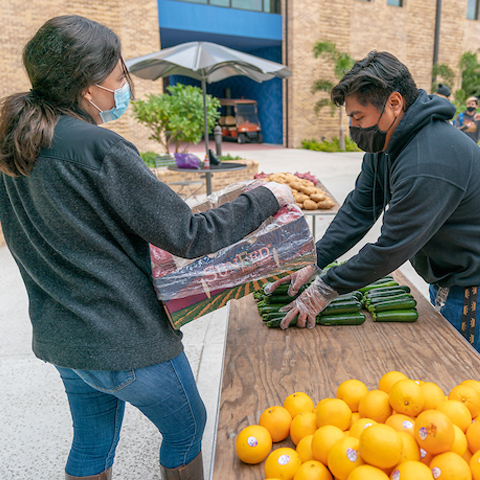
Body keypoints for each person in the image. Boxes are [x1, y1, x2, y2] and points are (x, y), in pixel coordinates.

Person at [0, 15, 293, 480]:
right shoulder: (99, 147)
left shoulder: (17, 140)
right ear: (87, 87)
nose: (125, 88)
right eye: (119, 79)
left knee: (92, 445)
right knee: (187, 427)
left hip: (63, 337)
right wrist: (264, 197)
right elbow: (189, 235)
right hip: (124, 337)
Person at [267, 50, 480, 355]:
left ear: (394, 103)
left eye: (358, 117)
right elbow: (359, 208)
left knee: (464, 377)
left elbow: (393, 245)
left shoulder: (429, 160)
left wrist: (326, 288)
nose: (354, 128)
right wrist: (313, 260)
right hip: (450, 273)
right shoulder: (386, 144)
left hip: (473, 285)